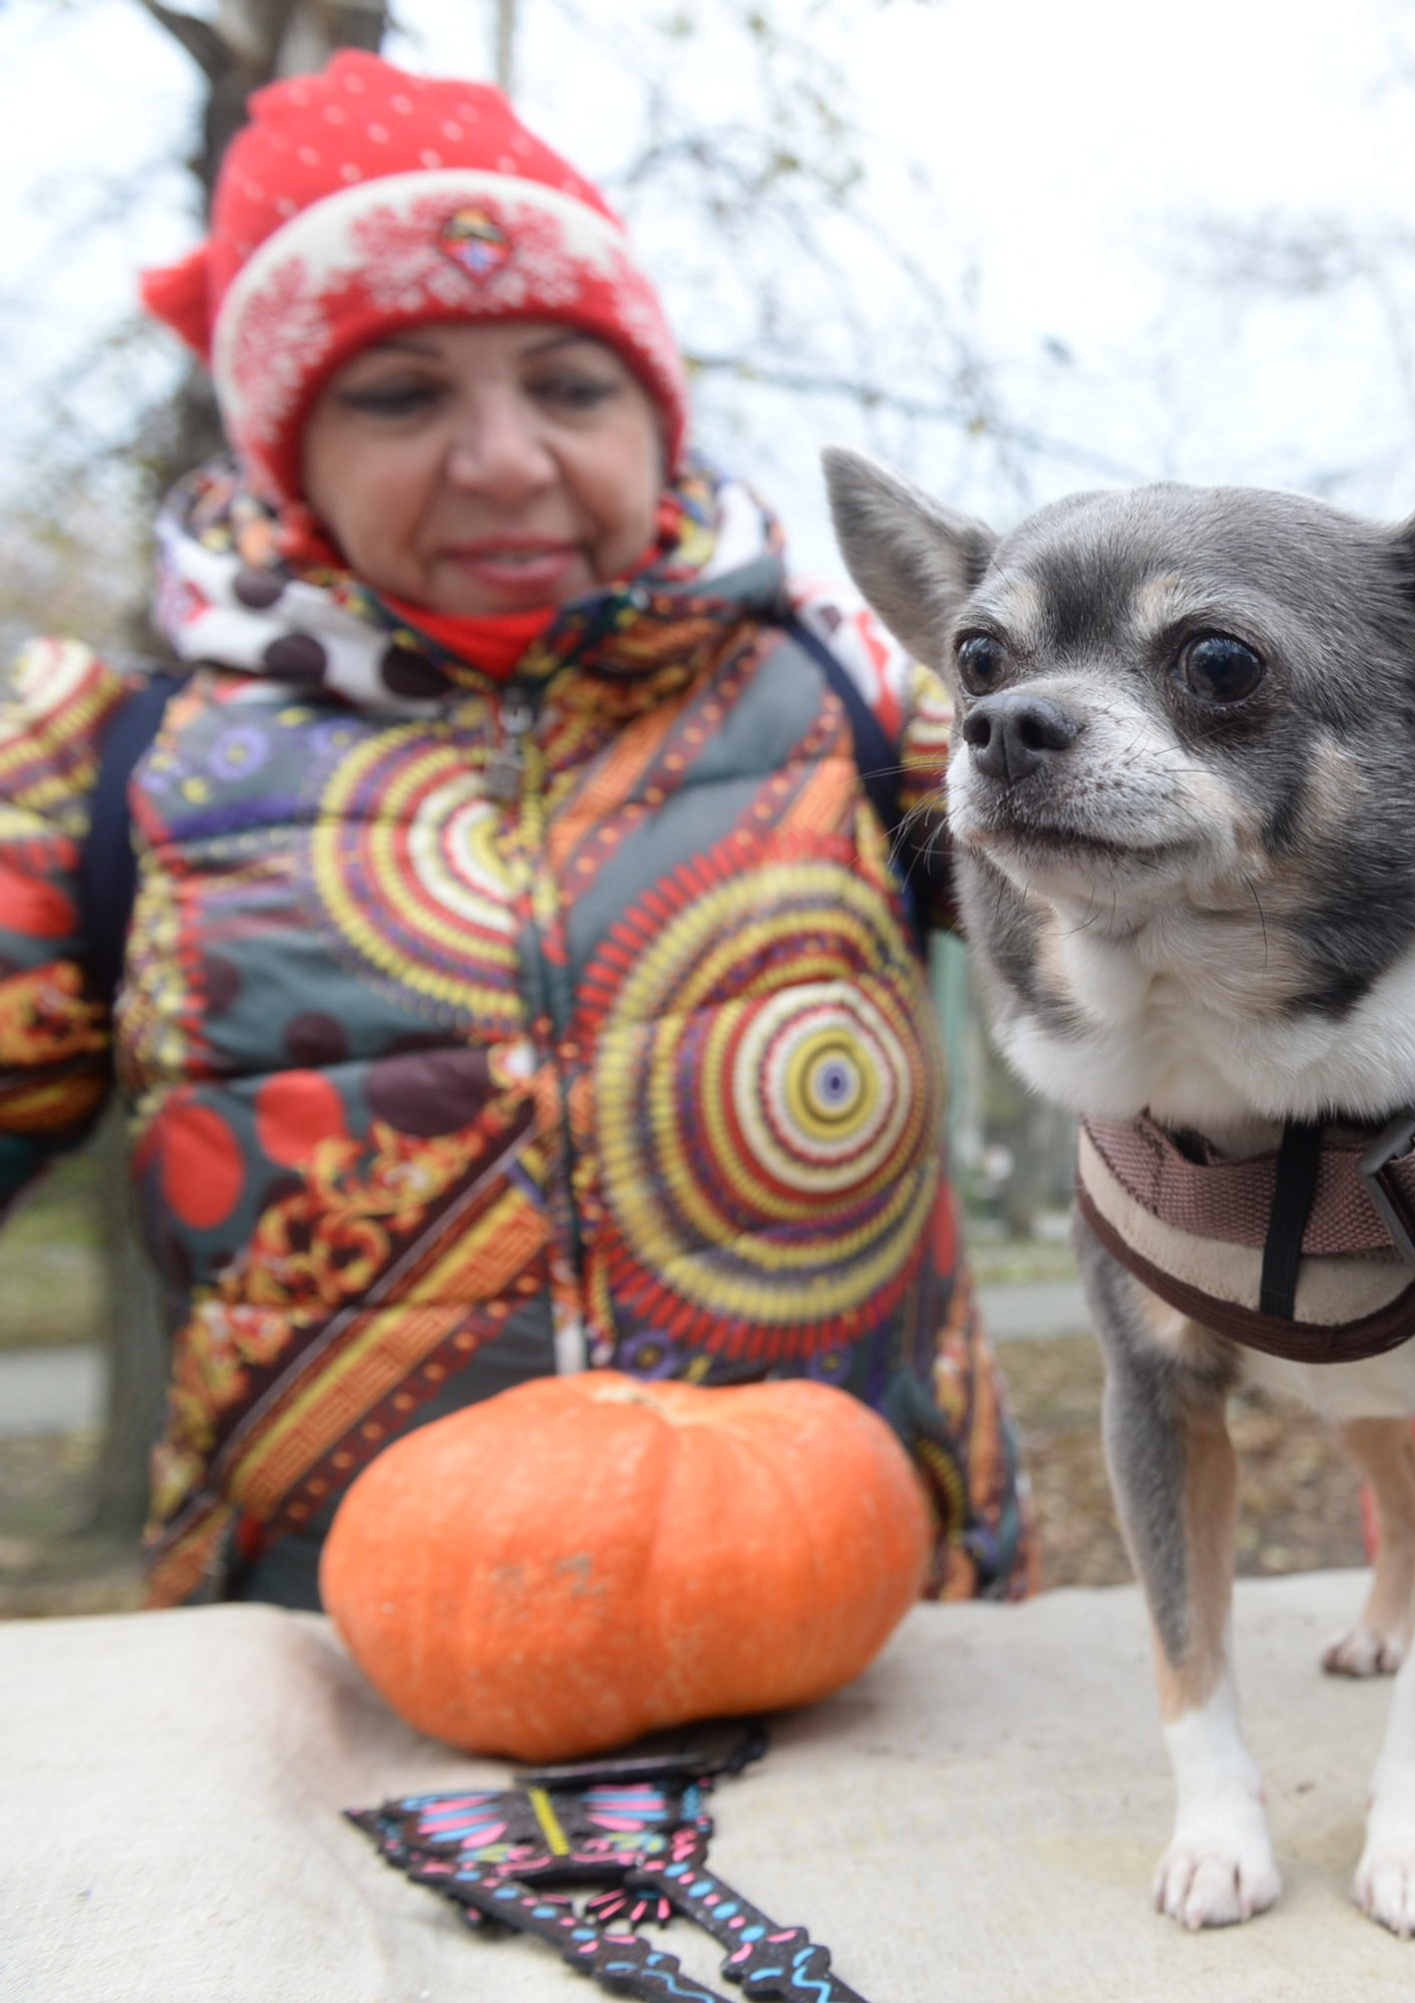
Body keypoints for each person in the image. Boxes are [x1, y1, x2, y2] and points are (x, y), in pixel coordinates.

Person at [0, 54, 1031, 1607]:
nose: (505, 459)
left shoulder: (867, 704)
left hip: (870, 1633)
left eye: (570, 383)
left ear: (653, 412)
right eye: (403, 393)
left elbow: (1258, 962)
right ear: (287, 445)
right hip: (329, 1665)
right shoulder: (114, 774)